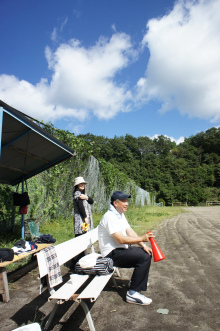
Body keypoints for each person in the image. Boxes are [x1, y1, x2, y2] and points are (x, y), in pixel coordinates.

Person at [98, 190, 153, 305]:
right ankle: (133, 294)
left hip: (120, 250)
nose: (126, 203)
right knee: (143, 257)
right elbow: (121, 239)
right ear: (115, 203)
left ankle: (135, 282)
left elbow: (129, 231)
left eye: (126, 200)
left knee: (146, 253)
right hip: (111, 254)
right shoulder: (110, 217)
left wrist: (143, 245)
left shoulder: (120, 215)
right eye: (123, 201)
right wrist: (142, 238)